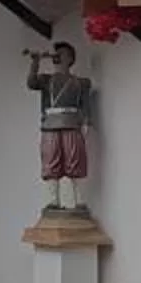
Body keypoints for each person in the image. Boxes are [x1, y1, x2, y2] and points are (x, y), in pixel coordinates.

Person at [27, 40, 94, 213]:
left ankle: (79, 201)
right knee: (51, 161)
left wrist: (86, 122)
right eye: (56, 54)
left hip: (72, 124)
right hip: (50, 124)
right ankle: (53, 201)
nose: (57, 57)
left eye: (62, 54)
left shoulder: (81, 83)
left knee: (75, 161)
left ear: (70, 59)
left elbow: (85, 105)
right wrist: (35, 62)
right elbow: (31, 83)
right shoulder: (46, 80)